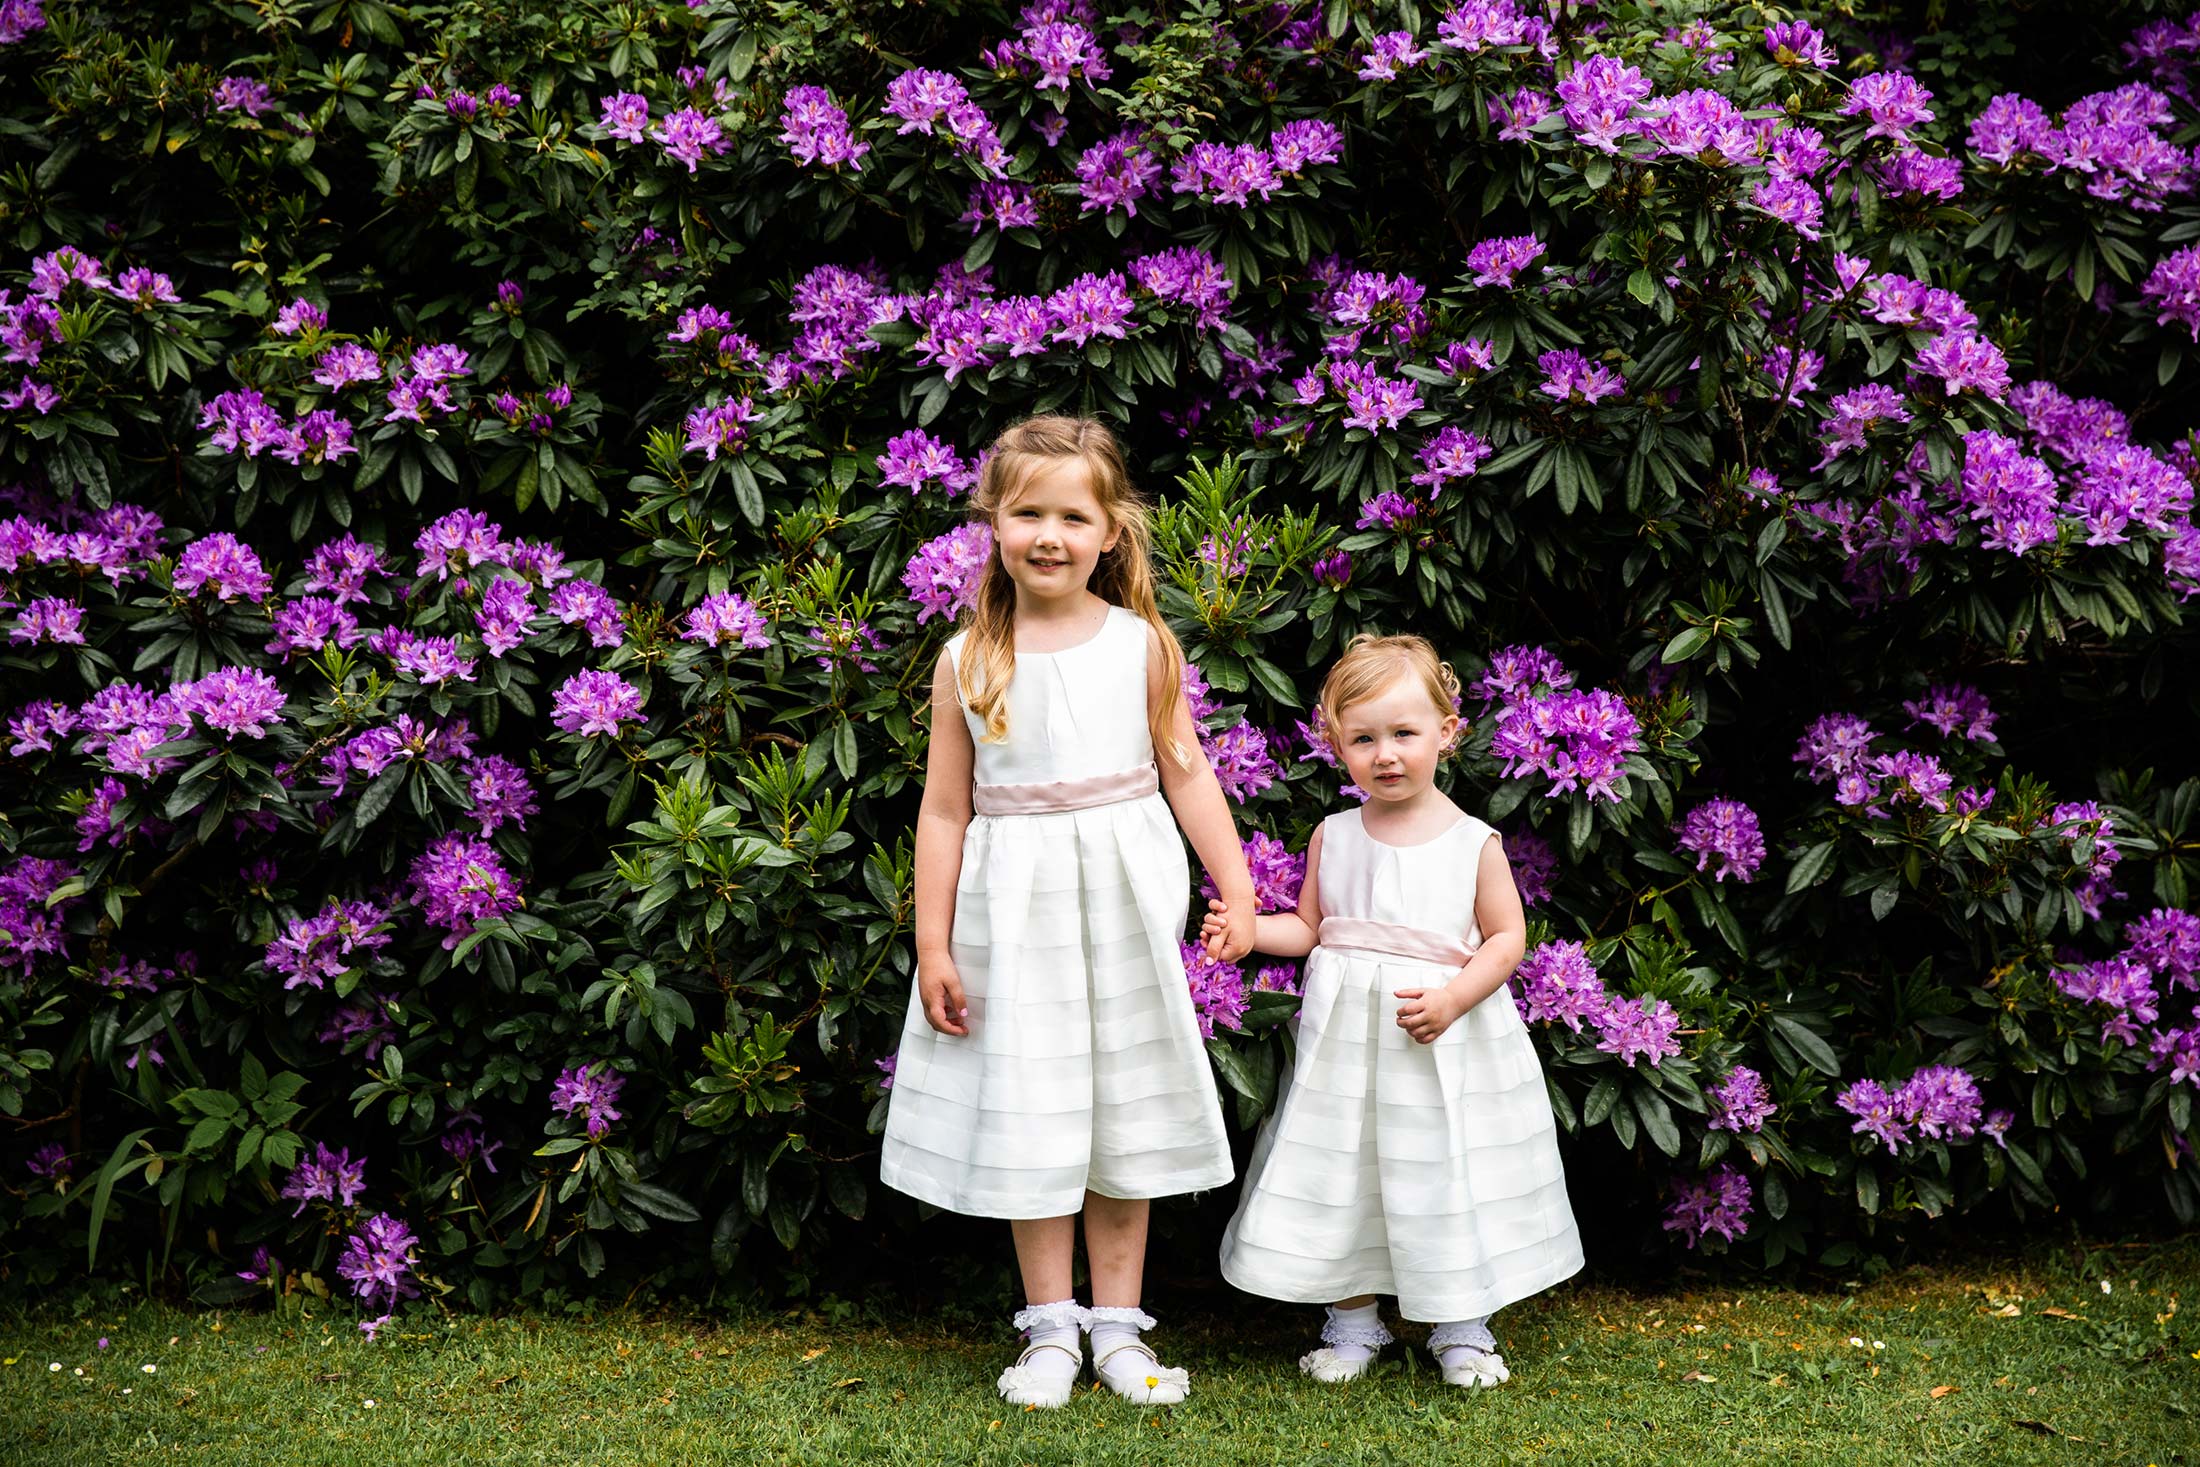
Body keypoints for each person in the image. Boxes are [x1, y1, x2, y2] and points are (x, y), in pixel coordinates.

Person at [879, 415, 1257, 1409]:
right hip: (1014, 915)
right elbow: (944, 807)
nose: (1050, 535)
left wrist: (1240, 888)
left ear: (1110, 530)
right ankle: (1050, 1328)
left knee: (1117, 1112)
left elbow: (1188, 773)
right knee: (1039, 1111)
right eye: (1027, 513)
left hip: (1122, 906)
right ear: (992, 523)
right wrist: (932, 942)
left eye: (1072, 515)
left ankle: (1121, 1330)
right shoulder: (968, 657)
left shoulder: (1140, 644)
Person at [1205, 633, 1583, 1388]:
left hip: (1440, 1044)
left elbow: (1507, 939)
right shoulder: (1334, 835)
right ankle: (1352, 1319)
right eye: (1364, 737)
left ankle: (1462, 1323)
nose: (1386, 754)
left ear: (1448, 731)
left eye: (1405, 733)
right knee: (1349, 1171)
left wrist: (1451, 997)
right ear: (1335, 742)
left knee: (1445, 1171)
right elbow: (1312, 928)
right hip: (1347, 1057)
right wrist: (1250, 933)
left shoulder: (1474, 842)